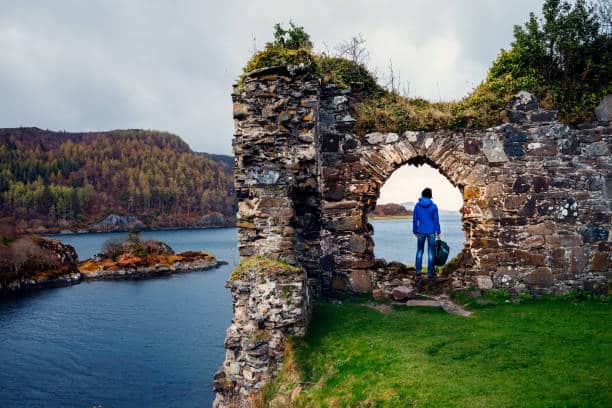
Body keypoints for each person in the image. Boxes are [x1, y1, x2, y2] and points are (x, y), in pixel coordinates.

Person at [412, 188, 441, 280]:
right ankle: (430, 273)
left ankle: (418, 271)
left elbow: (415, 220)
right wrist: (438, 232)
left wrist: (415, 230)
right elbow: (436, 220)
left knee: (419, 251)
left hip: (420, 231)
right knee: (431, 252)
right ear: (430, 196)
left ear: (422, 195)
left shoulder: (417, 206)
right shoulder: (434, 206)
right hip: (431, 232)